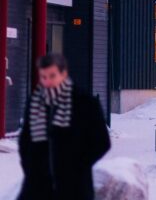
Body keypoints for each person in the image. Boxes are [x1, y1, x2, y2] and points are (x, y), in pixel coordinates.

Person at [18, 52, 110, 200]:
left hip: (74, 187)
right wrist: (30, 167)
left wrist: (77, 166)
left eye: (52, 76)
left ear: (63, 73)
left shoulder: (85, 103)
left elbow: (101, 142)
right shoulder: (35, 102)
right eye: (44, 77)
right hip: (37, 186)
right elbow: (25, 140)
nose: (48, 82)